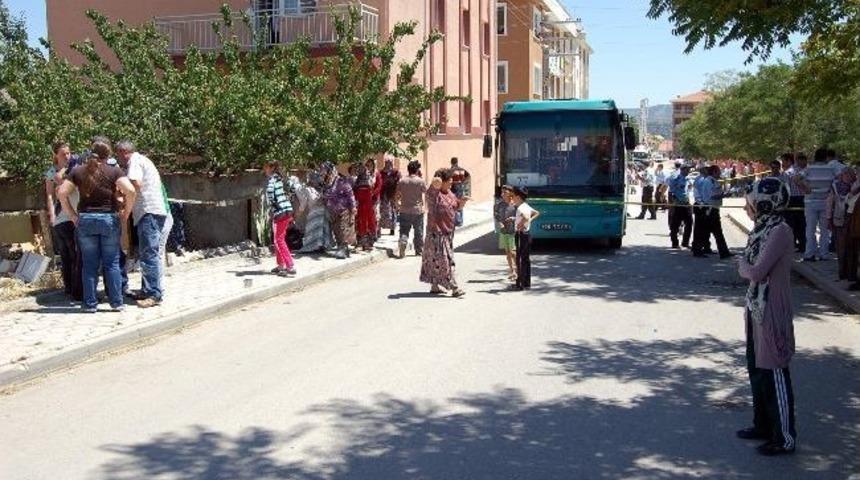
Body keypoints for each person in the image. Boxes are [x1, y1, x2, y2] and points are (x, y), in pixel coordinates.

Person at [737, 177, 797, 456]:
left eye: (750, 203)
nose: (746, 207)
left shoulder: (779, 231)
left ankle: (784, 436)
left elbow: (756, 271)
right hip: (756, 305)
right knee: (757, 370)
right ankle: (762, 424)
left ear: (763, 203)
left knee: (773, 372)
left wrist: (743, 265)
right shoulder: (762, 229)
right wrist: (746, 266)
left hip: (772, 309)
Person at [57, 143, 137, 313]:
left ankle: (90, 304)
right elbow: (130, 190)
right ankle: (116, 303)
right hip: (109, 219)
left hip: (86, 220)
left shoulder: (77, 171)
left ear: (90, 154)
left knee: (89, 264)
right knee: (112, 263)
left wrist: (72, 215)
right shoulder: (114, 171)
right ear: (107, 155)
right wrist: (126, 212)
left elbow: (61, 193)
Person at [115, 141, 168, 308]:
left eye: (118, 154)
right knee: (147, 253)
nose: (118, 158)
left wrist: (123, 199)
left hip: (148, 212)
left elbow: (135, 184)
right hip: (151, 212)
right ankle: (147, 289)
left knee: (149, 253)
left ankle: (154, 294)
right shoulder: (142, 160)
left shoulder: (135, 162)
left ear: (124, 152)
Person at [420, 169, 467, 297]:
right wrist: (437, 179)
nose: (451, 184)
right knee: (446, 261)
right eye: (449, 182)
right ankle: (454, 288)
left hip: (447, 232)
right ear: (442, 182)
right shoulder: (434, 194)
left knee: (436, 261)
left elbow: (456, 206)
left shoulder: (450, 193)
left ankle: (435, 286)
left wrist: (462, 202)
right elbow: (433, 186)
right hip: (436, 233)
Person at [45, 141, 82, 302]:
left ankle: (74, 289)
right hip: (62, 216)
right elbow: (49, 195)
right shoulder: (52, 172)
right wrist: (52, 214)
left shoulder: (75, 167)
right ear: (56, 155)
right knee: (67, 254)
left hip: (75, 213)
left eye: (68, 153)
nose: (67, 156)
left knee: (75, 253)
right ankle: (71, 288)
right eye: (63, 154)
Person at [797, 148, 836, 261]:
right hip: (825, 202)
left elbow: (796, 178)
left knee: (810, 229)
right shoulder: (831, 169)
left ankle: (810, 254)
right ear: (826, 157)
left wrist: (805, 188)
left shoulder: (809, 168)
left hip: (810, 202)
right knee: (825, 230)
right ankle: (824, 254)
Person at [263, 160, 297, 276]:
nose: (265, 170)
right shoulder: (282, 178)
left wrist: (274, 206)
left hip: (280, 213)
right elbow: (293, 188)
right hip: (287, 211)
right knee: (279, 238)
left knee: (279, 240)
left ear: (272, 168)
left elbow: (270, 194)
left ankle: (290, 265)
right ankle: (280, 265)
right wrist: (287, 201)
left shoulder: (272, 180)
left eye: (266, 167)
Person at [826, 167, 858, 282]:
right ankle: (842, 272)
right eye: (846, 174)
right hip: (839, 220)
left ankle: (849, 273)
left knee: (850, 248)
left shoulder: (855, 186)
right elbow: (829, 203)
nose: (848, 177)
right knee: (841, 248)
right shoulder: (835, 186)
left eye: (850, 174)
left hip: (851, 221)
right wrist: (828, 218)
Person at [296, 165, 335, 254]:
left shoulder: (322, 189)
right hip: (314, 212)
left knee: (321, 231)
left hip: (322, 213)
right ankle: (312, 247)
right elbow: (304, 202)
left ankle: (322, 246)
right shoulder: (308, 189)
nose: (316, 181)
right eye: (314, 179)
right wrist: (300, 211)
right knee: (313, 230)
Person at [322, 162, 356, 259]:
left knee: (342, 230)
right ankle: (342, 249)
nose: (324, 173)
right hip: (332, 211)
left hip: (343, 210)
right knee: (336, 231)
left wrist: (353, 207)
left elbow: (350, 193)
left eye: (325, 170)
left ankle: (343, 249)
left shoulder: (341, 181)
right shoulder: (327, 183)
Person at [511, 186, 540, 291]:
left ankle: (520, 284)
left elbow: (526, 217)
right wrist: (526, 221)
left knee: (519, 259)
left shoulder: (520, 208)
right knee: (526, 259)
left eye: (513, 196)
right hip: (527, 234)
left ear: (518, 197)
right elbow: (537, 213)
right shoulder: (526, 206)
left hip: (521, 234)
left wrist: (521, 224)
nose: (512, 198)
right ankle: (527, 283)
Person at [396, 160, 427, 258]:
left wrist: (398, 205)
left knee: (404, 230)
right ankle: (419, 250)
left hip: (404, 209)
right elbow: (425, 193)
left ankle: (403, 242)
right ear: (417, 170)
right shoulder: (420, 181)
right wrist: (424, 206)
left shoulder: (402, 181)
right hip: (417, 210)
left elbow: (397, 195)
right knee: (418, 231)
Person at [701, 165, 732, 259]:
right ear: (714, 172)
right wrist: (724, 195)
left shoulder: (713, 180)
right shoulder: (709, 181)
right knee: (717, 232)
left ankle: (703, 249)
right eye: (718, 171)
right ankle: (723, 252)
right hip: (711, 209)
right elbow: (713, 196)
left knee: (709, 231)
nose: (720, 173)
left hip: (713, 208)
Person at [783, 154, 807, 253]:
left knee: (791, 225)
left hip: (792, 200)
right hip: (803, 199)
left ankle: (792, 245)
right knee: (802, 224)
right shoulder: (805, 171)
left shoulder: (787, 172)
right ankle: (802, 245)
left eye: (784, 161)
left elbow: (786, 189)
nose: (783, 163)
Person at [494, 185, 517, 279]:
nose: (502, 194)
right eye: (502, 192)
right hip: (503, 231)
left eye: (505, 192)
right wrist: (500, 223)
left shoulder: (515, 204)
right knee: (508, 253)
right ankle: (512, 271)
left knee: (513, 252)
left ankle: (518, 269)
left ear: (510, 193)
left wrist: (513, 218)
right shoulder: (499, 205)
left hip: (513, 231)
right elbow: (496, 215)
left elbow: (521, 216)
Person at [668, 163, 693, 249]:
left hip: (686, 203)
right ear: (682, 170)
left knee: (689, 223)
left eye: (689, 169)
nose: (689, 171)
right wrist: (671, 204)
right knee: (675, 225)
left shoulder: (687, 179)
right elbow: (671, 191)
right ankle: (675, 243)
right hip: (678, 204)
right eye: (687, 169)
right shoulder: (675, 178)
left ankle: (685, 242)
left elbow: (688, 190)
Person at [354, 163, 377, 251]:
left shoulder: (368, 179)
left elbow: (372, 191)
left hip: (367, 205)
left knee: (367, 223)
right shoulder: (358, 180)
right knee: (362, 223)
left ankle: (367, 243)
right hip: (361, 205)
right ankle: (362, 243)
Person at [379, 157, 401, 236]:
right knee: (382, 212)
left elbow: (399, 183)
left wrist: (398, 195)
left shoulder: (396, 172)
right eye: (387, 162)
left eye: (390, 162)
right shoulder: (381, 172)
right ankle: (379, 229)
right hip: (383, 195)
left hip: (392, 195)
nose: (389, 164)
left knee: (393, 211)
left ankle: (392, 229)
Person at [450, 157, 471, 227]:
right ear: (457, 162)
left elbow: (449, 180)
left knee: (454, 205)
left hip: (454, 190)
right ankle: (460, 221)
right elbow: (468, 176)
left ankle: (456, 221)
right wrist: (463, 182)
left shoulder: (451, 171)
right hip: (461, 190)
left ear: (451, 162)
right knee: (461, 205)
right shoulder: (462, 169)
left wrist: (454, 182)